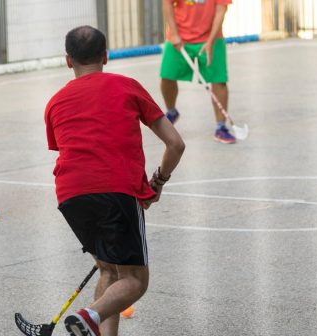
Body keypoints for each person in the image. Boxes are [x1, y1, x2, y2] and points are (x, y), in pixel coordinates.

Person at [45, 26, 185, 336]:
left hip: (70, 196)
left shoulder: (55, 102)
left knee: (109, 269)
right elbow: (176, 144)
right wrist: (157, 183)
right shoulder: (127, 86)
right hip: (116, 192)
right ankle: (88, 315)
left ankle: (95, 324)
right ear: (106, 56)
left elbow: (71, 148)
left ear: (68, 60)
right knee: (134, 281)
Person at [161, 0, 236, 144]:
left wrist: (211, 41)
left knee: (219, 80)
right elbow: (167, 4)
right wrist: (175, 34)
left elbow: (221, 10)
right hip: (179, 36)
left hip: (211, 37)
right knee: (167, 76)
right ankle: (171, 111)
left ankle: (221, 127)